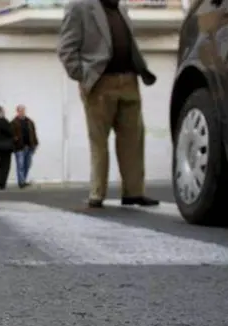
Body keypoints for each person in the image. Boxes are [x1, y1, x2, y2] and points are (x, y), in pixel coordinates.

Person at [56, 0, 159, 208]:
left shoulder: (121, 8)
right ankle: (97, 193)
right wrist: (84, 76)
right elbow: (66, 49)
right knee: (99, 141)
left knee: (134, 140)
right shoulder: (80, 6)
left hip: (129, 81)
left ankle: (134, 192)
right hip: (100, 84)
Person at [10, 105, 38, 188]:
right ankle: (21, 182)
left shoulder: (29, 121)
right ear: (17, 111)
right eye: (20, 110)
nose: (22, 112)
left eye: (23, 110)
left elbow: (34, 133)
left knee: (27, 165)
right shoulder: (13, 122)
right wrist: (15, 140)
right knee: (20, 165)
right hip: (20, 148)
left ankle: (23, 180)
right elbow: (11, 135)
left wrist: (35, 144)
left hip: (29, 147)